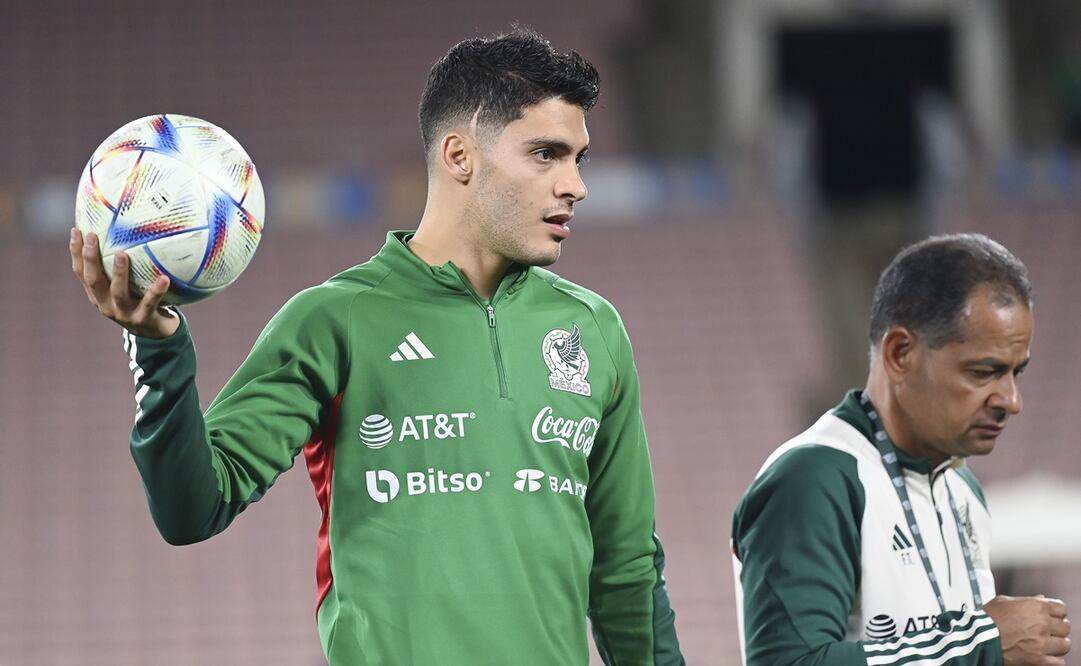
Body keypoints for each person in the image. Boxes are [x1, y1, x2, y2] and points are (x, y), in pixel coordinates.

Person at [69, 28, 684, 666]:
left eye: (579, 158)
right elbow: (192, 508)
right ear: (459, 156)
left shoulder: (593, 329)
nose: (575, 184)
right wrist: (158, 352)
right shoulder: (332, 321)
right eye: (547, 154)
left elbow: (627, 570)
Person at [731, 234, 1072, 665]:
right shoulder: (815, 478)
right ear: (900, 354)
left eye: (1016, 373)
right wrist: (981, 647)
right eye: (985, 372)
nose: (1011, 400)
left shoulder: (963, 489)